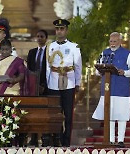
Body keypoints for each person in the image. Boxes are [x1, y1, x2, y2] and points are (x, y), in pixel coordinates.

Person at [92, 32, 130, 148]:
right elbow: (97, 69)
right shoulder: (105, 53)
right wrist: (99, 70)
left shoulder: (127, 53)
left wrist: (125, 72)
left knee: (121, 115)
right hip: (108, 89)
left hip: (121, 89)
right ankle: (111, 139)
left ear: (120, 41)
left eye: (114, 41)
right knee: (110, 114)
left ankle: (121, 140)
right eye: (111, 41)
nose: (112, 44)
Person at [46, 19, 82, 147]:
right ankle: (57, 139)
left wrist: (78, 82)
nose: (59, 31)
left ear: (66, 30)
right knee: (55, 113)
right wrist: (47, 82)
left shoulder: (73, 47)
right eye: (57, 29)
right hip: (54, 82)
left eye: (62, 29)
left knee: (68, 114)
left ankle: (66, 141)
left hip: (69, 82)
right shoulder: (50, 46)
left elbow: (78, 66)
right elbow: (47, 66)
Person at [27, 29, 48, 147]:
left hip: (46, 86)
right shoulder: (32, 52)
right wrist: (33, 85)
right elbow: (28, 70)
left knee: (44, 113)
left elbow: (49, 70)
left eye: (42, 36)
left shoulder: (49, 52)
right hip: (33, 87)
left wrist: (43, 85)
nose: (39, 38)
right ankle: (33, 137)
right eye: (38, 36)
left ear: (46, 39)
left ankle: (45, 137)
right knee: (33, 112)